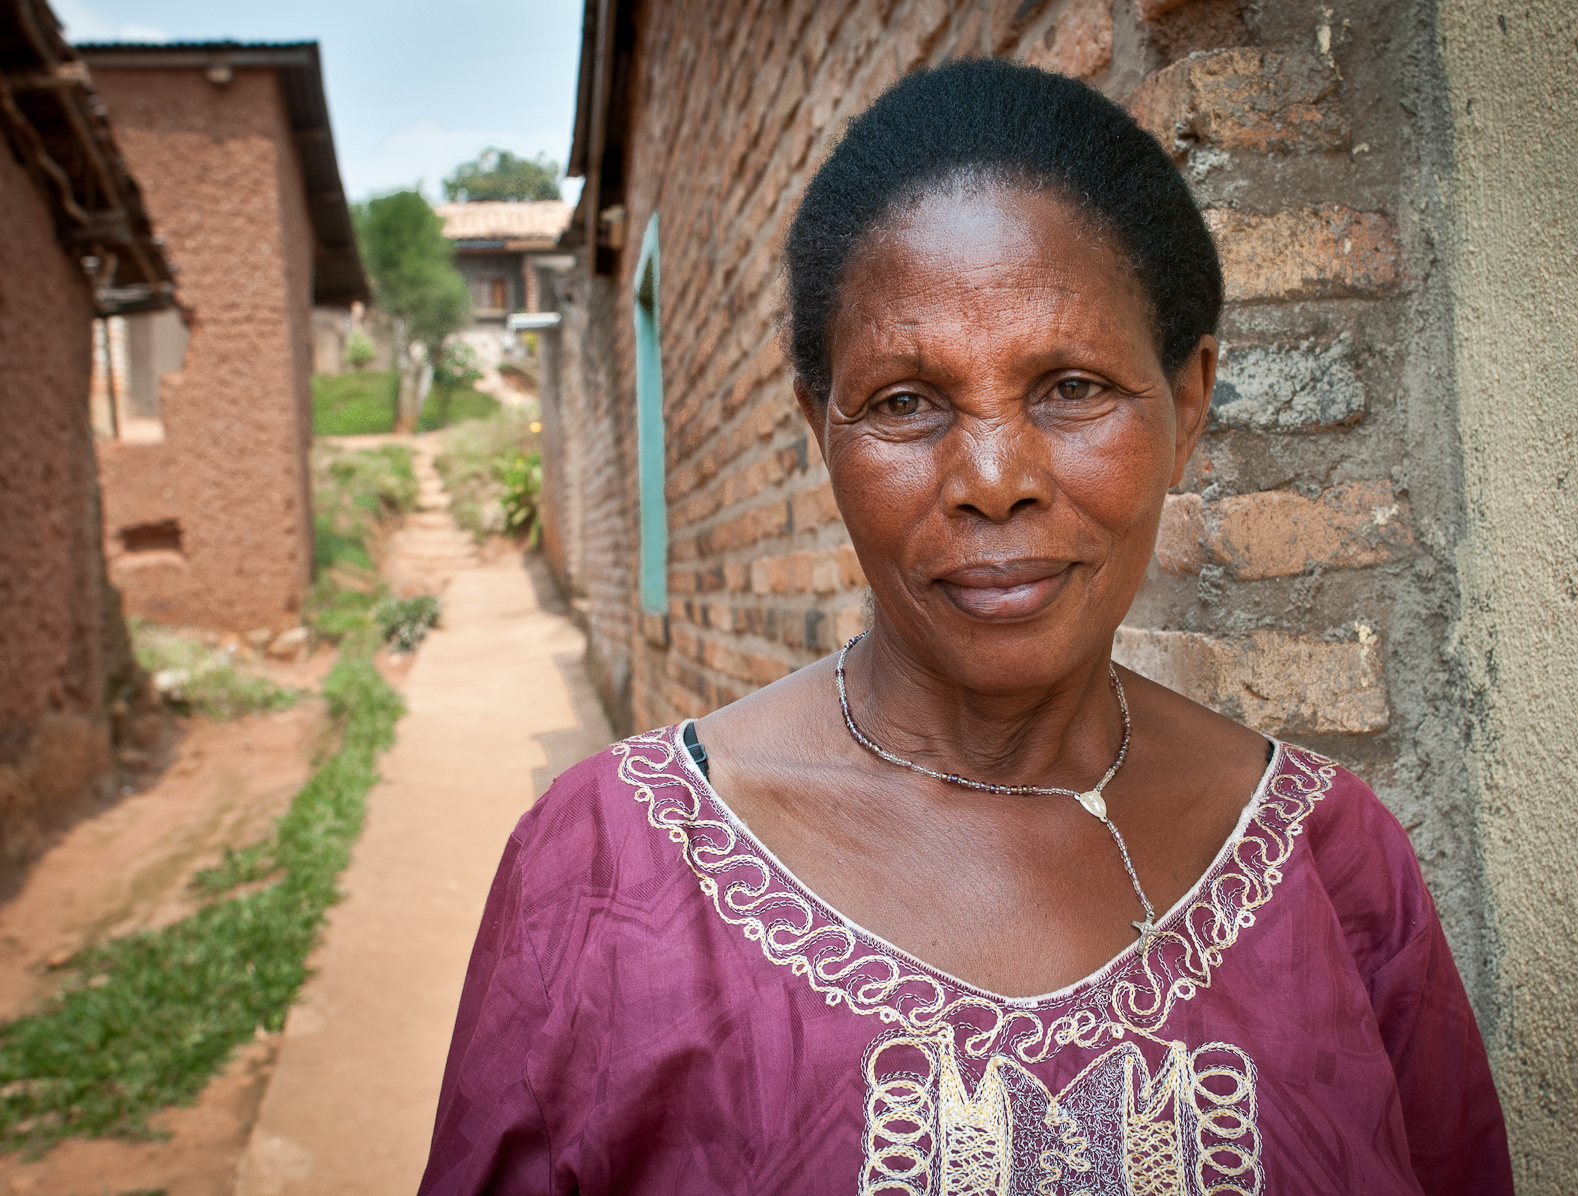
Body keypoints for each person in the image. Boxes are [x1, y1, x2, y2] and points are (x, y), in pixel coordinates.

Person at [419, 57, 1510, 1196]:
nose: (993, 480)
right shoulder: (611, 873)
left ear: (1188, 406)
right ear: (820, 427)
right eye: (906, 403)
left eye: (1072, 387)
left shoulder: (1333, 866)